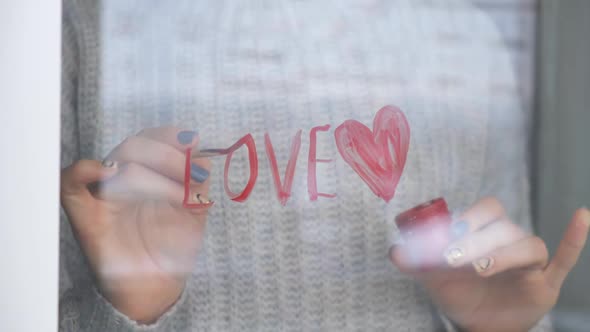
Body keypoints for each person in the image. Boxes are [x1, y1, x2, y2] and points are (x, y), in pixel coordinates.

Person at [59, 0, 589, 331]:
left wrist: (494, 326)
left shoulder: (466, 43)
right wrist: (131, 310)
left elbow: (501, 285)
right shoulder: (76, 28)